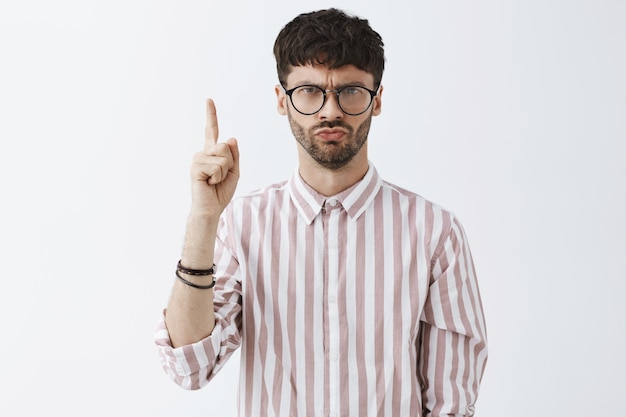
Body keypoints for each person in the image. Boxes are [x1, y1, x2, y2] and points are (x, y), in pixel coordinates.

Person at [155, 8, 488, 417]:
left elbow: (450, 404)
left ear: (377, 99)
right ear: (282, 100)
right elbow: (190, 366)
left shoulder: (435, 233)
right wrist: (203, 219)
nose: (330, 111)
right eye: (310, 91)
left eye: (350, 91)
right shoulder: (241, 225)